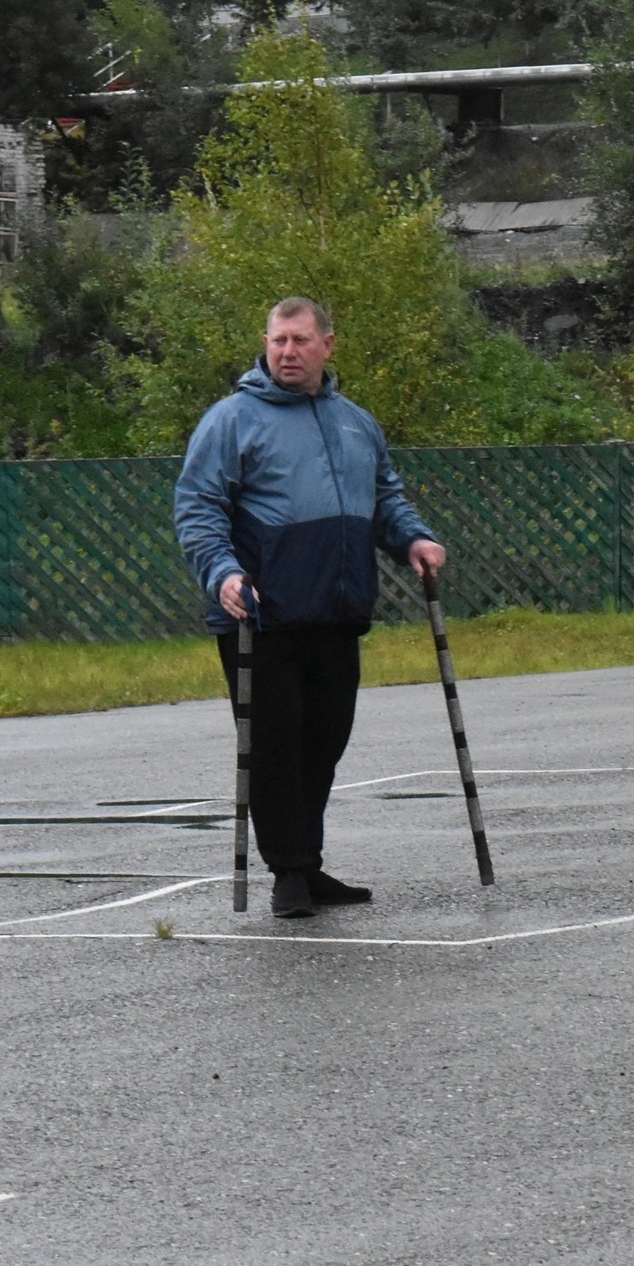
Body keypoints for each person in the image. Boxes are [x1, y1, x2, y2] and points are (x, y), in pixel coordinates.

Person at [174, 297, 447, 919]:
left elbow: (384, 500)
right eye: (278, 341)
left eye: (300, 340)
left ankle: (308, 860)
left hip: (336, 610)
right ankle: (289, 872)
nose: (287, 352)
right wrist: (221, 573)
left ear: (328, 344)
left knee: (324, 741)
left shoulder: (356, 422)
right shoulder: (231, 420)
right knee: (275, 745)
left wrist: (414, 539)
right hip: (259, 614)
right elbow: (198, 506)